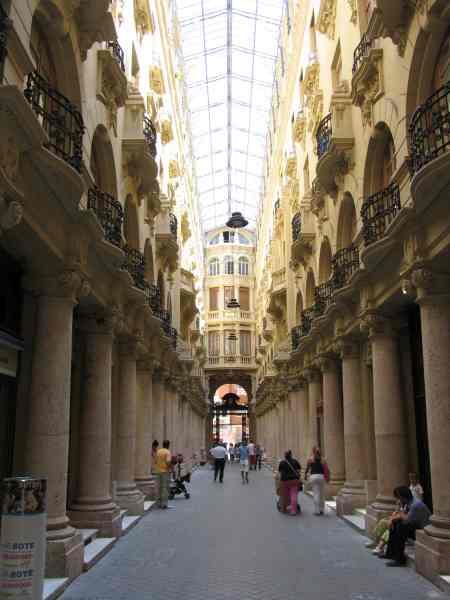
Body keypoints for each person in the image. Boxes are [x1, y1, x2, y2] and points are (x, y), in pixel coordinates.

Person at [381, 486, 431, 567]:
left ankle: (400, 559)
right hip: (415, 525)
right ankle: (390, 553)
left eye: (398, 498)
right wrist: (392, 519)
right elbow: (402, 516)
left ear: (403, 497)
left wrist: (398, 512)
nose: (398, 500)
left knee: (401, 527)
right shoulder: (408, 502)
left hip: (423, 529)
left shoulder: (415, 504)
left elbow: (406, 519)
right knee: (396, 523)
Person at [305, 447, 329, 515]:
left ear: (313, 451)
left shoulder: (310, 459)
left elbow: (307, 468)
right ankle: (322, 510)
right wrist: (327, 478)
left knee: (316, 493)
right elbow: (326, 469)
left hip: (313, 476)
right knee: (322, 494)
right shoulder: (323, 459)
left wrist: (305, 475)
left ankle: (317, 511)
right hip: (321, 477)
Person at [278, 450, 301, 516]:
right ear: (291, 455)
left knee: (284, 495)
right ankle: (293, 510)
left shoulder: (282, 462)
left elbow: (280, 472)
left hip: (284, 481)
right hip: (294, 480)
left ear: (285, 455)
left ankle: (283, 509)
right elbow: (299, 470)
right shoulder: (295, 461)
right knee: (294, 495)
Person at [154, 439, 172, 508]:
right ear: (168, 445)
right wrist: (170, 468)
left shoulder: (158, 451)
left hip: (157, 471)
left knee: (158, 487)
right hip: (165, 472)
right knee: (164, 488)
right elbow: (168, 461)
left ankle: (158, 503)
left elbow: (155, 461)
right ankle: (164, 504)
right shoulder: (167, 452)